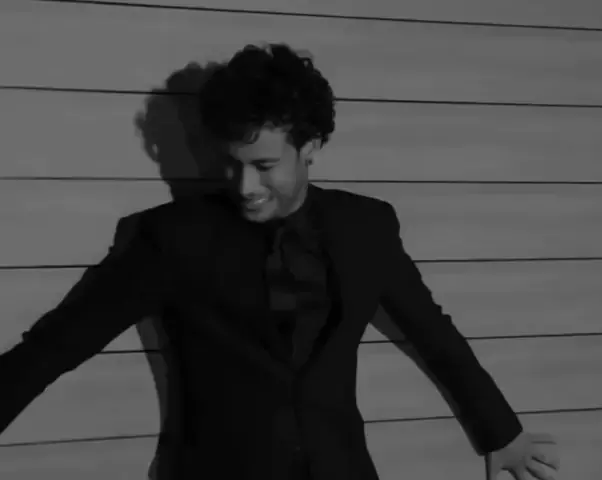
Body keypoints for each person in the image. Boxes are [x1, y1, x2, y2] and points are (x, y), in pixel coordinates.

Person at [0, 43, 559, 480]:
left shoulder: (366, 227)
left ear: (310, 146)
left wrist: (500, 431)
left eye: (264, 166)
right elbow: (59, 342)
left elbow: (433, 331)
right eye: (231, 163)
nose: (245, 185)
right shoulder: (172, 238)